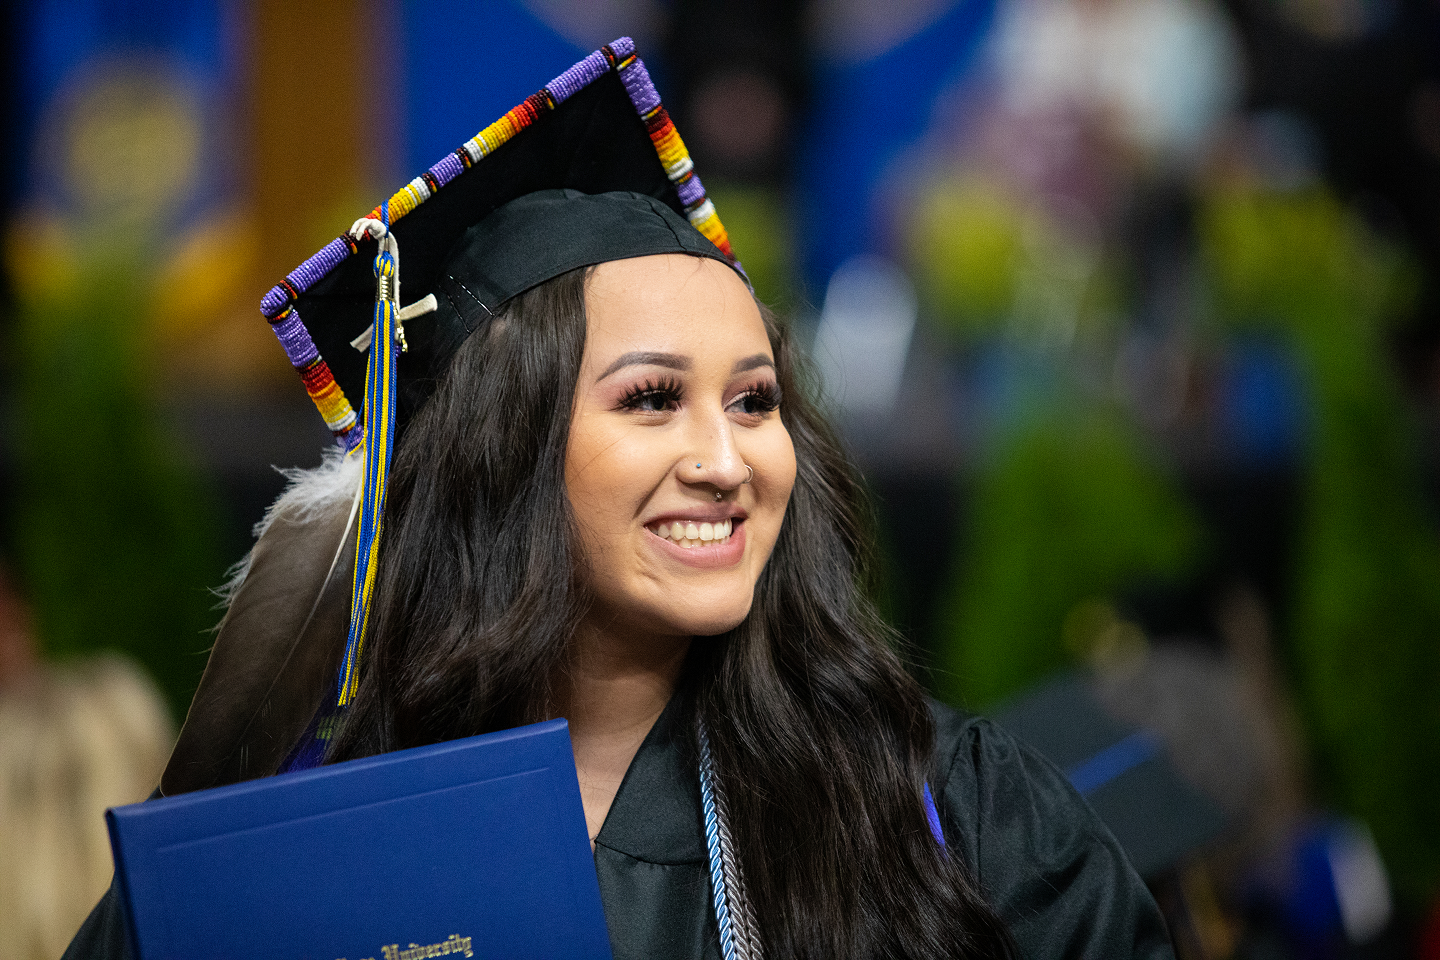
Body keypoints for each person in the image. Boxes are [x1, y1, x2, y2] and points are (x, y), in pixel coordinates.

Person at [64, 39, 1174, 960]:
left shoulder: (948, 816)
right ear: (505, 454)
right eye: (651, 399)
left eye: (754, 402)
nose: (727, 459)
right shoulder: (305, 836)